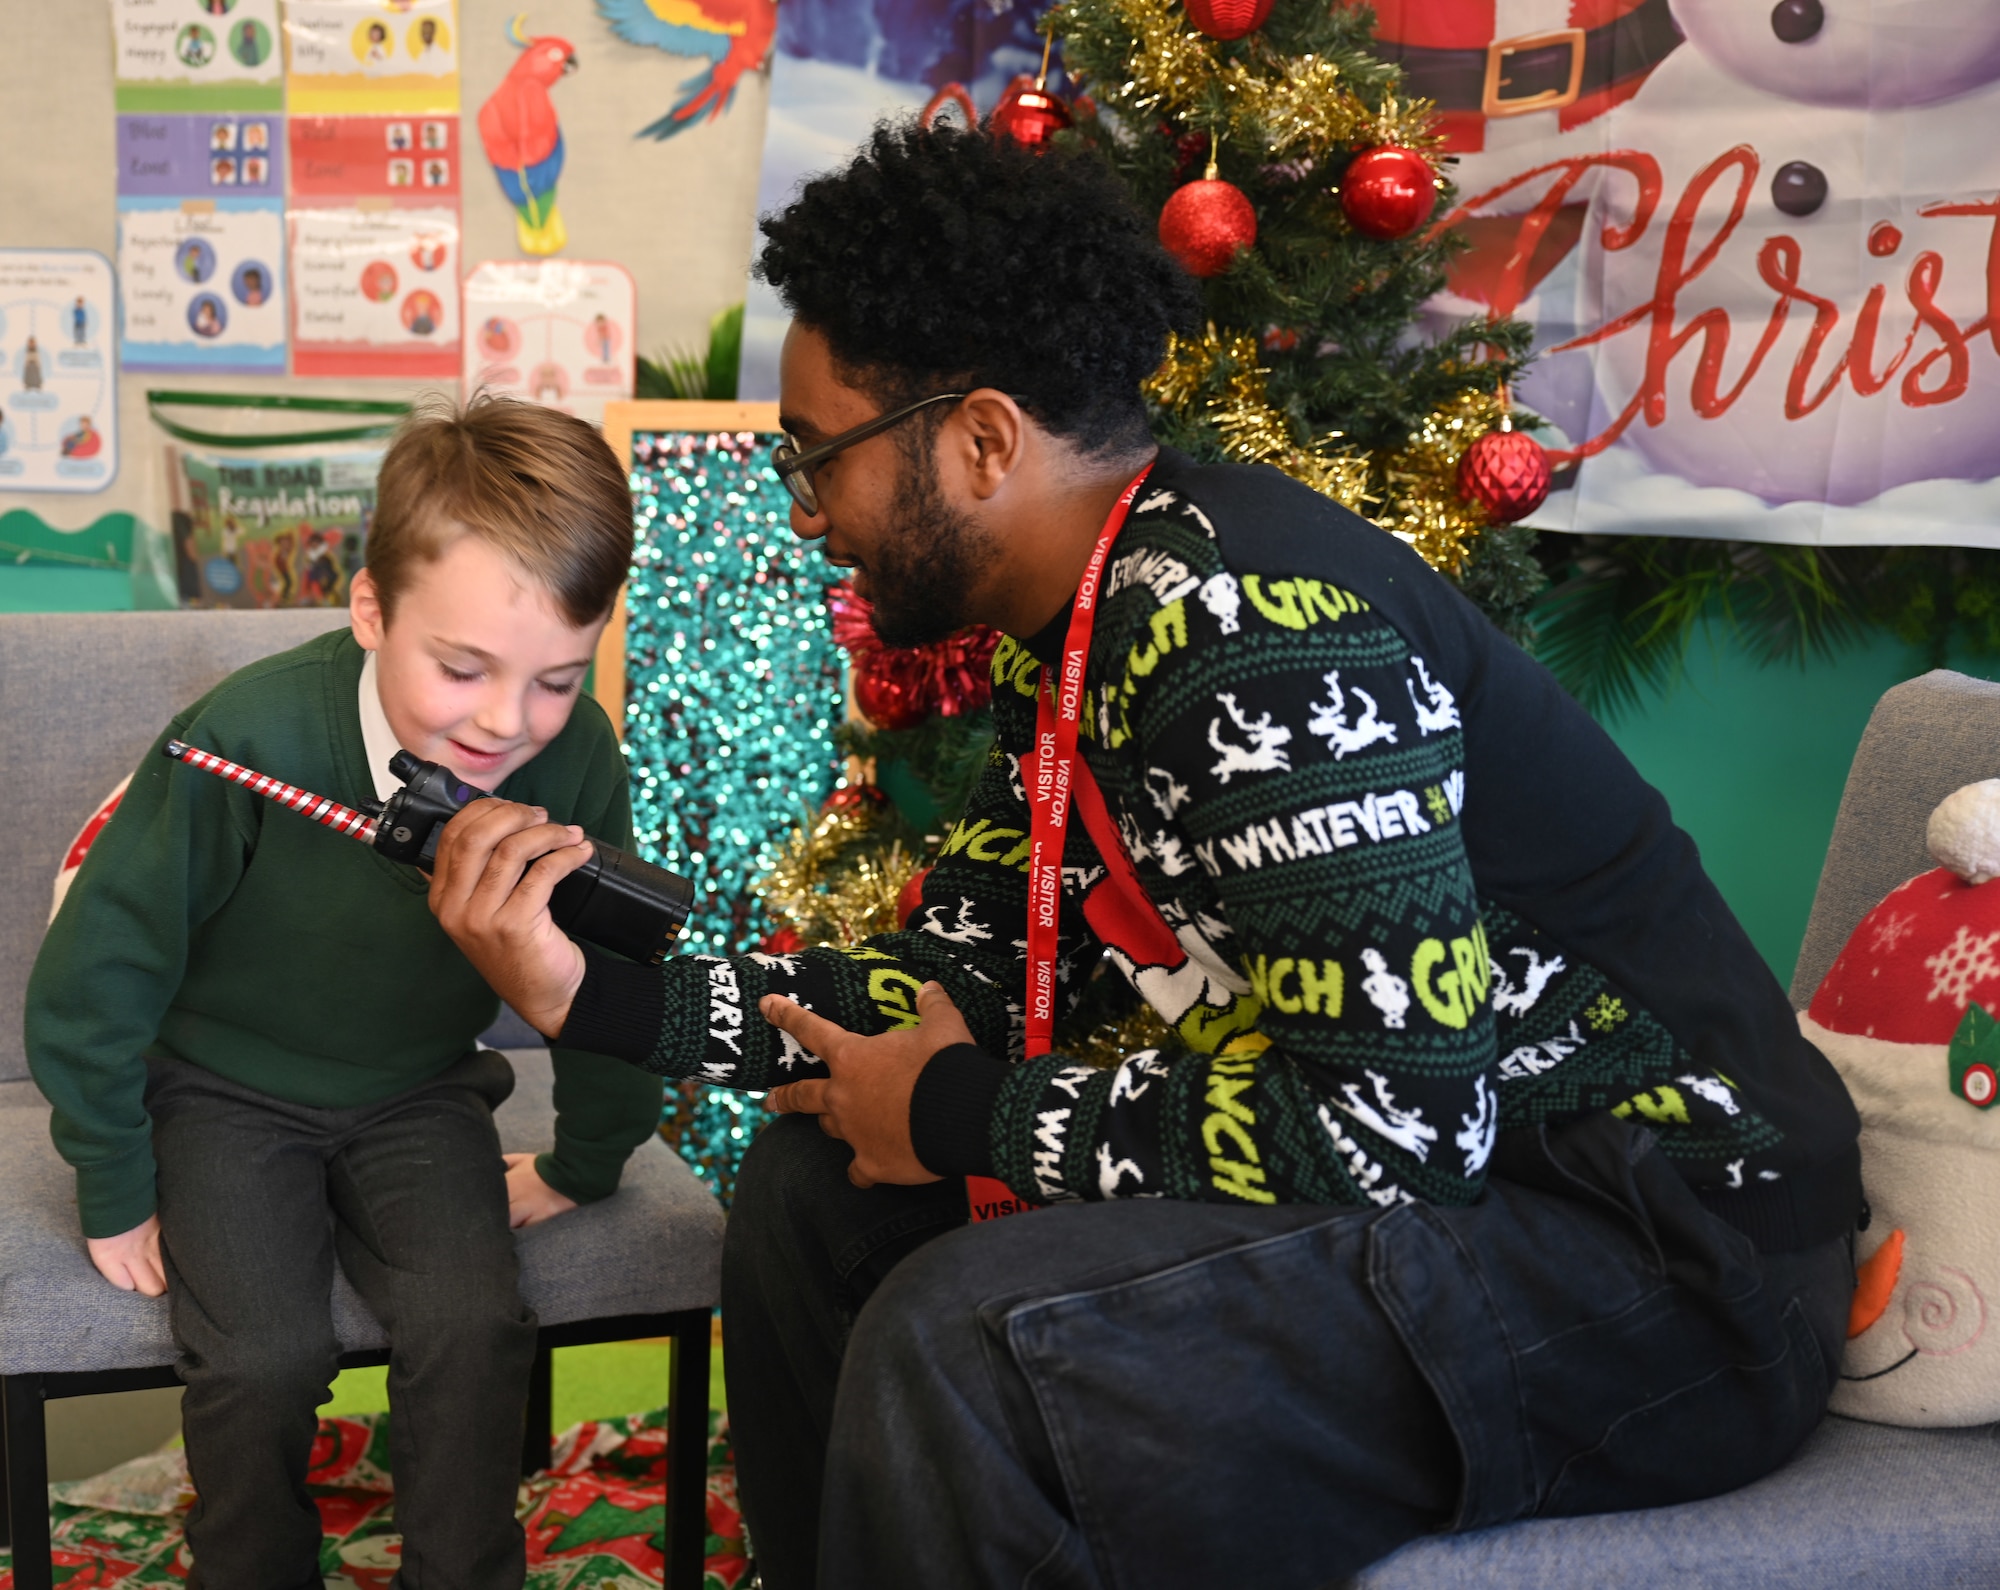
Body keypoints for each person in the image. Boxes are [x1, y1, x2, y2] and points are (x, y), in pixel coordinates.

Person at [427, 124, 1862, 1589]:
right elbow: (935, 985)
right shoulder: (1084, 631)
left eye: (820, 458)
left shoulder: (1248, 632)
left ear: (982, 441)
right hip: (1488, 1198)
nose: (811, 516)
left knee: (968, 1333)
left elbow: (1399, 1133)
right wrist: (583, 989)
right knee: (818, 1190)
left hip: (1671, 1263)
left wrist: (972, 1110)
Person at [26, 396, 665, 1590]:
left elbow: (610, 976)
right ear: (370, 609)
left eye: (555, 681)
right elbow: (96, 970)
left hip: (420, 1094)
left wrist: (588, 1153)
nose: (503, 723)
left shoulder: (579, 760)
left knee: (474, 1329)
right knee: (260, 1359)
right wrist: (112, 1179)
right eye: (462, 667)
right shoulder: (242, 736)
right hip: (219, 1093)